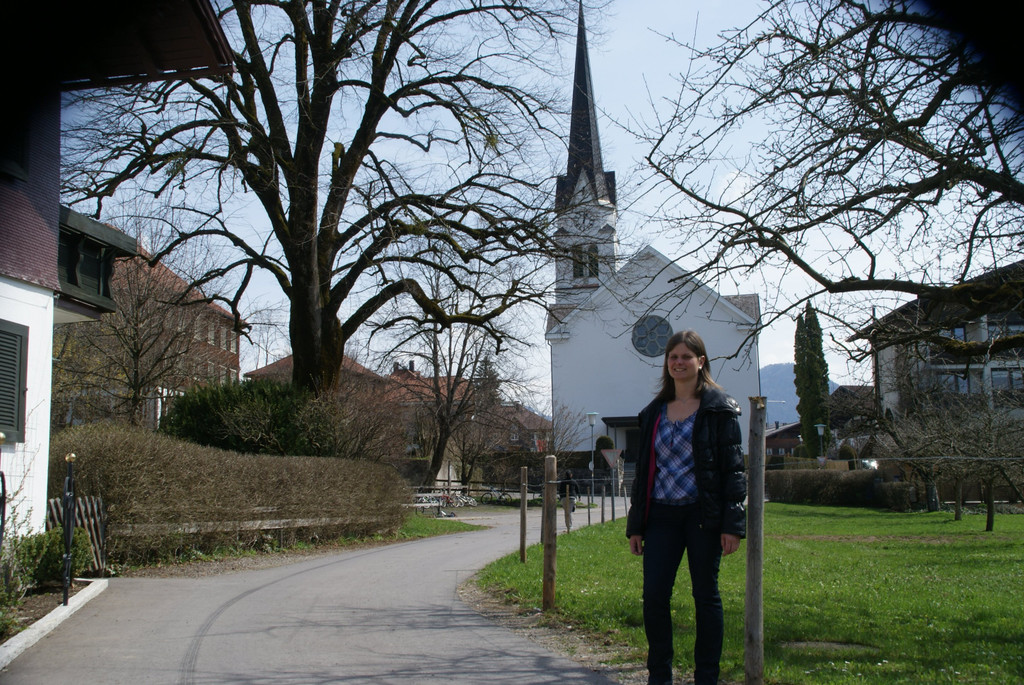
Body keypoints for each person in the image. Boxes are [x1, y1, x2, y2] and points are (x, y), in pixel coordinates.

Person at [626, 330, 746, 685]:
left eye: (686, 357)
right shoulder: (653, 412)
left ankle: (706, 677)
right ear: (667, 363)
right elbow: (644, 473)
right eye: (673, 357)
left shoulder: (720, 409)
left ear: (700, 362)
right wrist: (636, 526)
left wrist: (732, 525)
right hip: (661, 516)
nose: (679, 362)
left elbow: (733, 471)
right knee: (654, 597)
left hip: (702, 516)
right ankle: (659, 675)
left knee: (705, 596)